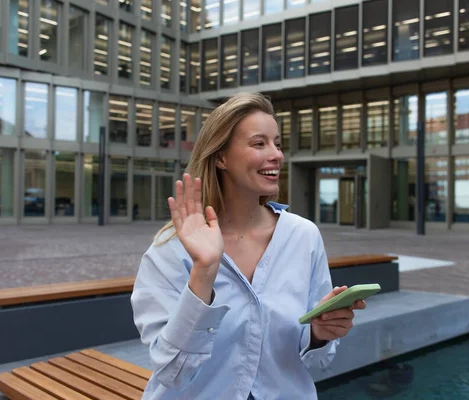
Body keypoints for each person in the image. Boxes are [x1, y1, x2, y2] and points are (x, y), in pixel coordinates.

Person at [131, 93, 366, 400]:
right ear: (221, 157)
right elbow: (173, 371)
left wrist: (321, 334)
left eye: (277, 143)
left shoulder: (303, 236)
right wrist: (204, 271)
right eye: (259, 143)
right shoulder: (170, 251)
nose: (277, 155)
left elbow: (318, 359)